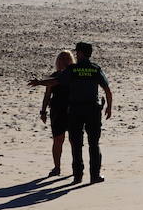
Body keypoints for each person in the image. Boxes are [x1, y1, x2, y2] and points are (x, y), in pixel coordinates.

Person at [31, 42, 112, 184]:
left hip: (76, 110)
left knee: (77, 144)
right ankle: (95, 176)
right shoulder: (95, 69)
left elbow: (55, 81)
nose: (75, 54)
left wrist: (39, 82)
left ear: (80, 53)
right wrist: (109, 107)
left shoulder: (73, 70)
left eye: (77, 52)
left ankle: (77, 176)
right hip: (92, 110)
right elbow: (107, 90)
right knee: (94, 144)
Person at [38, 50, 73, 176]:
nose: (64, 61)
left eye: (67, 58)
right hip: (57, 111)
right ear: (58, 61)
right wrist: (43, 112)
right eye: (62, 58)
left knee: (74, 140)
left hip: (72, 111)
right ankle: (57, 167)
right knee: (58, 140)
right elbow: (47, 95)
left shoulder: (74, 75)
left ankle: (76, 167)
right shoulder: (54, 76)